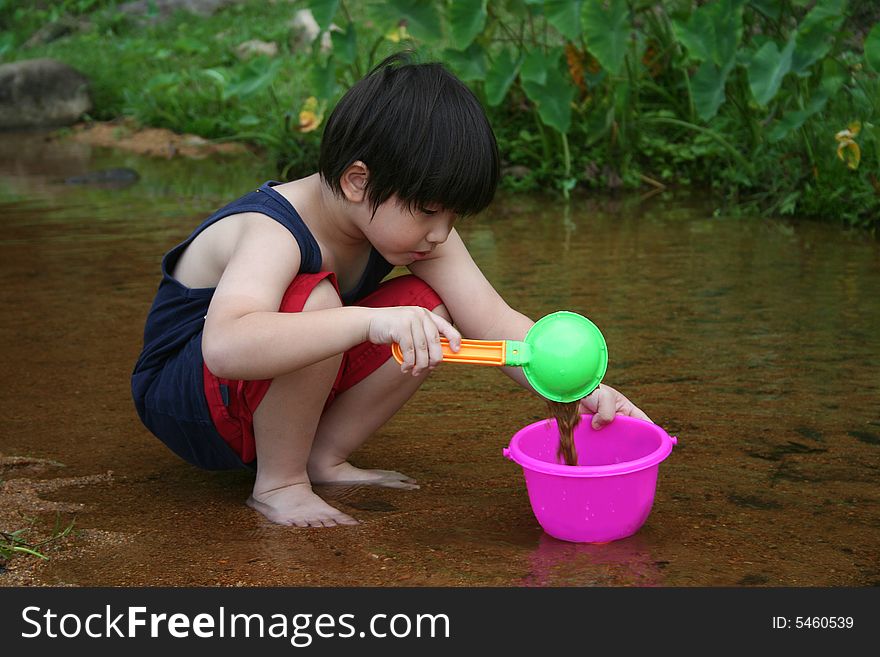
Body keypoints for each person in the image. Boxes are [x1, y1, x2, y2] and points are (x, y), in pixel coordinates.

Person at [131, 52, 651, 528]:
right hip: (187, 399)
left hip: (253, 389)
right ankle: (280, 482)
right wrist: (370, 321)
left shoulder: (407, 229)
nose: (441, 232)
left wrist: (582, 389)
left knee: (429, 309)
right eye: (429, 211)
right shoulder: (275, 231)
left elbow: (491, 323)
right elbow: (224, 347)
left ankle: (322, 456)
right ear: (359, 181)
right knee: (318, 300)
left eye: (453, 215)